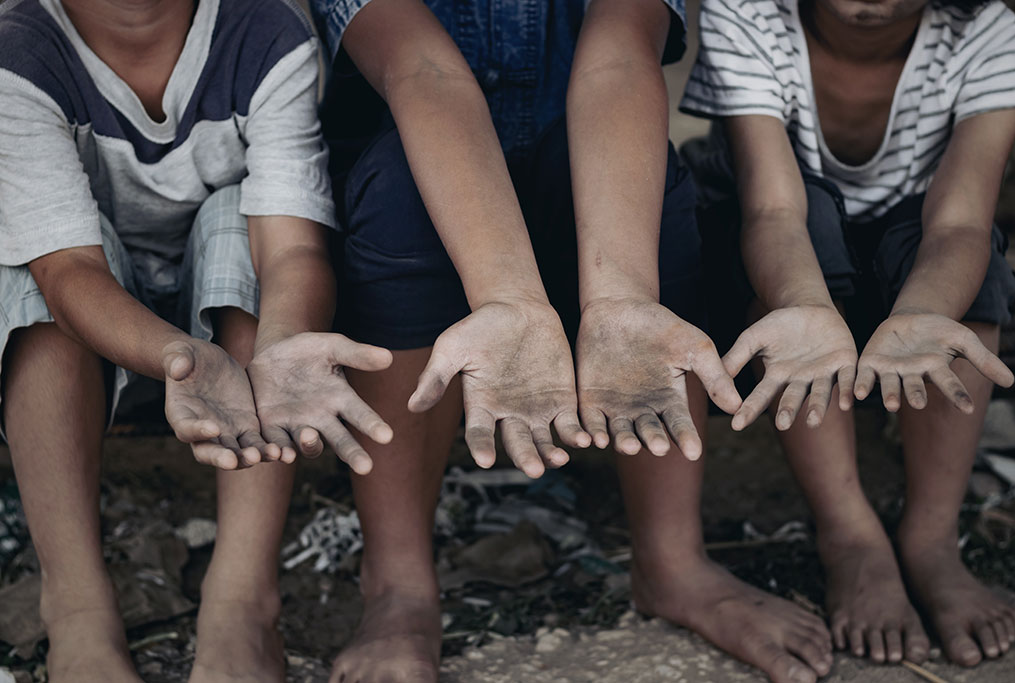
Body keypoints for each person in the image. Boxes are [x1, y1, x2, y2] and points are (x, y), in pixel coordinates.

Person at [312, 0, 838, 681]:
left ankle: (673, 560)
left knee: (652, 184)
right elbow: (421, 69)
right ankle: (398, 581)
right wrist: (511, 301)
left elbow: (621, 55)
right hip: (421, 148)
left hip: (591, 158)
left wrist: (621, 299)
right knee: (398, 194)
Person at [0, 1, 395, 681]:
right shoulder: (21, 54)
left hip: (221, 285)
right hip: (93, 290)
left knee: (241, 226)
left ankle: (242, 599)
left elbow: (292, 249)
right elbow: (70, 273)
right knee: (30, 288)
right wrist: (177, 357)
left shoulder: (266, 33)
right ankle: (77, 606)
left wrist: (280, 345)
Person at [682, 0, 1015, 675]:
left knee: (971, 261)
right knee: (806, 223)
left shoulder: (996, 37)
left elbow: (956, 224)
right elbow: (773, 206)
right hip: (778, 238)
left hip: (916, 241)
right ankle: (850, 534)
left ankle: (931, 536)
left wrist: (923, 311)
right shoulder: (745, 13)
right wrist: (804, 304)